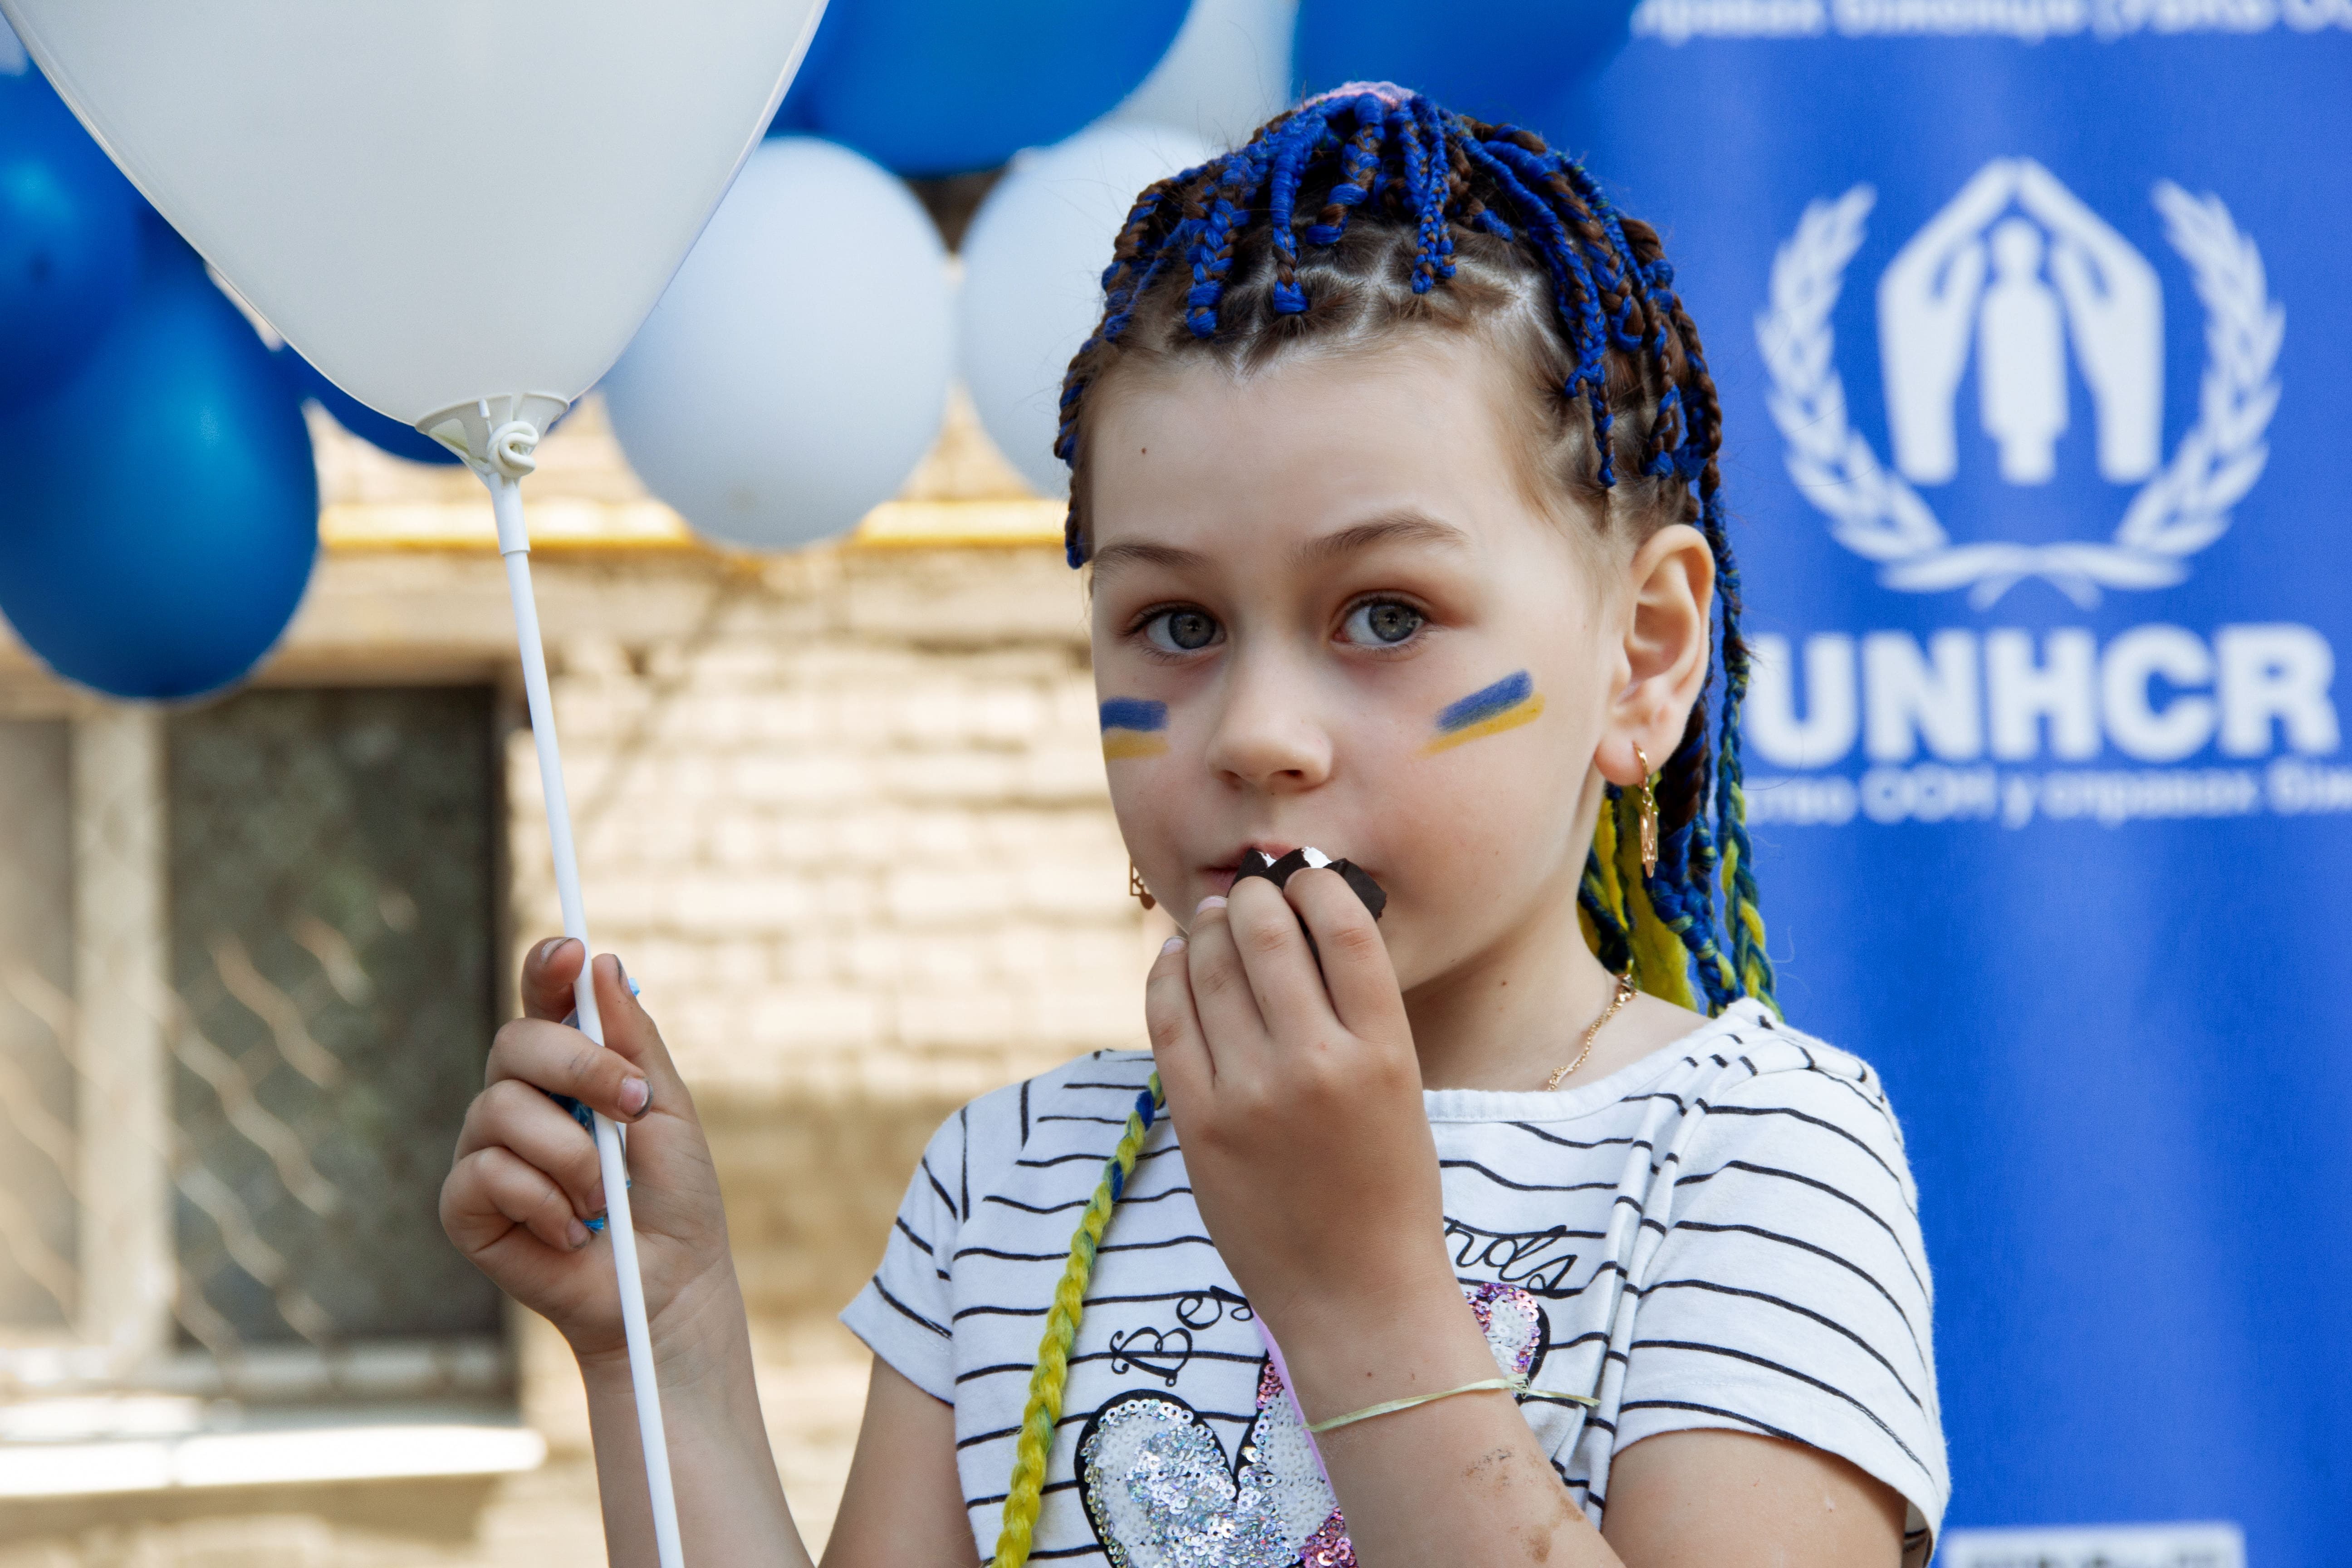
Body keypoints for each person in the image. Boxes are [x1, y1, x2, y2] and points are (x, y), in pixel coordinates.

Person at [441, 85, 1948, 1568]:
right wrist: (671, 1347)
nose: (1258, 736)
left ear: (1644, 652)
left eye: (1383, 613)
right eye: (1175, 622)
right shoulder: (1014, 1183)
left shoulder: (1752, 1159)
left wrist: (1358, 1290)